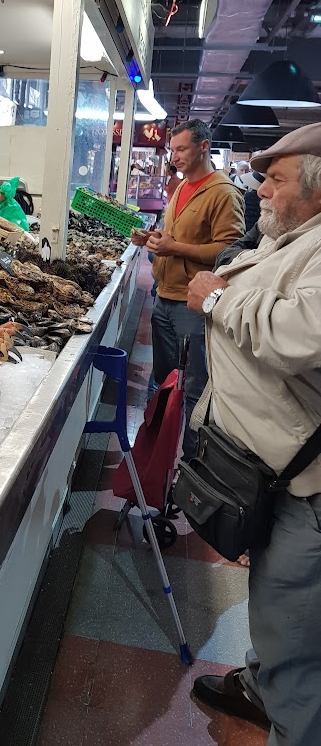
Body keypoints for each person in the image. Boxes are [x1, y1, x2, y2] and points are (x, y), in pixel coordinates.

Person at [186, 122, 321, 744]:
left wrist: (217, 300)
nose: (260, 189)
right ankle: (260, 683)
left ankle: (288, 712)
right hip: (273, 473)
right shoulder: (289, 239)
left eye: (276, 178)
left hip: (308, 489)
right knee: (275, 605)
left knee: (296, 633)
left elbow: (298, 335)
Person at [131, 118, 244, 460]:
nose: (174, 156)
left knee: (194, 388)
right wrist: (152, 239)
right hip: (164, 297)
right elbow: (176, 237)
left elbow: (231, 251)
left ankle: (192, 465)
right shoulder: (180, 188)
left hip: (193, 306)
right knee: (161, 381)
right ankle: (153, 456)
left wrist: (174, 249)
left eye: (181, 149)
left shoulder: (223, 192)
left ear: (203, 147)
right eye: (172, 149)